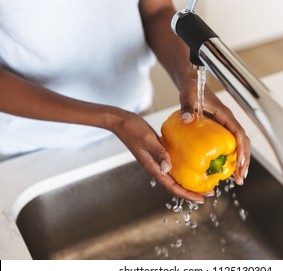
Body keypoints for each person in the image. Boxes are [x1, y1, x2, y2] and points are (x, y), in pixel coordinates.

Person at [0, 0, 250, 204]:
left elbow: (157, 10)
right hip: (29, 151)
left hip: (137, 123)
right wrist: (113, 120)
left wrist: (187, 76)